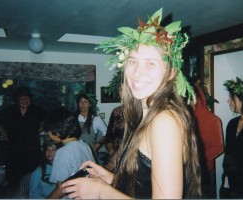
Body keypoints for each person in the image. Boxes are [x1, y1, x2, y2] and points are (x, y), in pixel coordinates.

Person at [61, 8, 201, 199]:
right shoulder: (146, 114)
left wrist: (102, 192)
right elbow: (145, 186)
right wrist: (111, 179)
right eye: (133, 61)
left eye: (150, 63)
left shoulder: (164, 121)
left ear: (171, 73)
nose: (137, 73)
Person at [0, 86, 47, 198]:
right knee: (13, 183)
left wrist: (38, 131)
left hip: (32, 151)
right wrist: (5, 134)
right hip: (13, 152)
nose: (25, 101)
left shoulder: (37, 110)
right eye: (21, 98)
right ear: (17, 100)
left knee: (31, 182)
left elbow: (48, 121)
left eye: (27, 98)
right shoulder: (10, 111)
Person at [44, 107, 95, 199]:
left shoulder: (62, 153)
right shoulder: (85, 145)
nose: (48, 134)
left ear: (57, 132)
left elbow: (61, 189)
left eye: (48, 132)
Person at [193, 83, 224, 198]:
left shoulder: (213, 120)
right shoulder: (186, 117)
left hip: (205, 171)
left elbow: (219, 147)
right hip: (188, 170)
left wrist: (198, 159)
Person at [75, 92, 109, 166]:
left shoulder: (96, 119)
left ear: (90, 104)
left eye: (85, 102)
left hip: (90, 154)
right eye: (80, 102)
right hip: (75, 153)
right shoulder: (73, 118)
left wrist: (98, 145)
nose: (83, 104)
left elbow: (107, 134)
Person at [105, 85, 125, 171]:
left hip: (130, 157)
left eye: (125, 89)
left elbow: (134, 140)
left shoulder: (140, 112)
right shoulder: (116, 112)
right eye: (120, 89)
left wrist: (115, 157)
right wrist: (111, 151)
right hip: (113, 156)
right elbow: (109, 136)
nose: (122, 92)